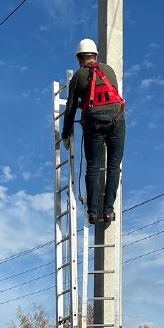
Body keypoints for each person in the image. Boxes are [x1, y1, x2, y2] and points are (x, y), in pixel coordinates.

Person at [61, 38, 125, 225]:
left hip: (94, 123)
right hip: (117, 119)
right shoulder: (109, 70)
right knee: (114, 165)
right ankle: (109, 211)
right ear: (95, 56)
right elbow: (104, 95)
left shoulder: (79, 75)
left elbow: (71, 107)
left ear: (80, 59)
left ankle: (93, 212)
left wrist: (66, 134)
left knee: (93, 167)